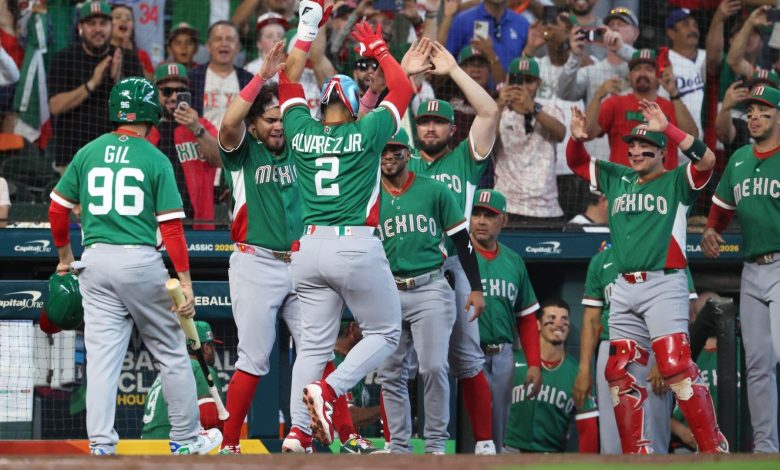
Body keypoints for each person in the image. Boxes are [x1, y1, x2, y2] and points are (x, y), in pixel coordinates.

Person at [217, 43, 377, 455]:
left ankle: (346, 435)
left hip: (302, 263)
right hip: (255, 262)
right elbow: (229, 121)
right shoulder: (242, 152)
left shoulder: (304, 146)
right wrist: (261, 78)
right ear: (255, 125)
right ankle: (230, 444)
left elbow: (326, 113)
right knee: (253, 359)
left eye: (280, 119)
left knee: (319, 351)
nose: (277, 126)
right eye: (269, 120)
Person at [47, 77, 221, 455]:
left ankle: (101, 446)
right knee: (172, 351)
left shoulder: (88, 152)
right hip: (139, 261)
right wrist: (185, 282)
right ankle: (187, 440)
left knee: (103, 360)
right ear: (150, 112)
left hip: (94, 262)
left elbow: (57, 209)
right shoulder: (155, 157)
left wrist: (65, 259)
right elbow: (173, 229)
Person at [279, 0, 416, 448]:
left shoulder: (301, 127)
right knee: (385, 332)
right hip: (354, 245)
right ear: (356, 107)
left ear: (320, 106)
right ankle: (331, 390)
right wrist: (379, 47)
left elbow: (288, 74)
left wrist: (308, 24)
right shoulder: (370, 128)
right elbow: (403, 90)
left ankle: (298, 432)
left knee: (313, 348)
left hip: (309, 249)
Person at [567, 99, 727, 454]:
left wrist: (668, 127)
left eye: (646, 146)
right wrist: (577, 138)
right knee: (619, 372)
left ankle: (712, 447)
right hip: (623, 287)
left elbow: (707, 160)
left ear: (662, 152)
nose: (636, 151)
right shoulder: (616, 177)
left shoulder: (676, 182)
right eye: (633, 146)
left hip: (664, 282)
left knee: (675, 365)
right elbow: (576, 162)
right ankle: (637, 456)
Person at [408, 46, 500, 454]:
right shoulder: (402, 159)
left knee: (467, 358)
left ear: (451, 129)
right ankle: (403, 445)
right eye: (424, 121)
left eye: (438, 122)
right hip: (404, 266)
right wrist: (406, 76)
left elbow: (490, 112)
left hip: (452, 264)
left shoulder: (465, 158)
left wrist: (453, 70)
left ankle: (483, 444)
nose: (430, 128)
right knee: (397, 363)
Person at [376, 128, 485, 454]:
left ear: (408, 154)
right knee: (390, 372)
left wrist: (476, 288)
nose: (389, 157)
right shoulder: (367, 193)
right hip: (387, 291)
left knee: (435, 367)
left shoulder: (434, 190)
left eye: (396, 151)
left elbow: (462, 241)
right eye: (383, 151)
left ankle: (436, 445)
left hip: (430, 287)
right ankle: (399, 446)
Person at [702, 85, 780, 453]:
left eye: (764, 111)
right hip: (752, 270)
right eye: (751, 111)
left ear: (778, 116)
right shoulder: (739, 160)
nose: (755, 117)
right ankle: (767, 449)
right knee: (758, 365)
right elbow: (720, 208)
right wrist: (711, 230)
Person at [575, 244, 700, 454]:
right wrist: (584, 370)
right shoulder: (601, 261)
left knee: (655, 434)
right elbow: (591, 320)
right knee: (612, 435)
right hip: (612, 347)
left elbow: (688, 311)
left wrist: (665, 359)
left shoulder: (668, 252)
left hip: (654, 346)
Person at [469, 188, 541, 452]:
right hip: (466, 353)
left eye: (489, 215)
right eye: (476, 214)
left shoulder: (514, 262)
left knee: (498, 429)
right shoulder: (455, 257)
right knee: (464, 425)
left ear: (504, 220)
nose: (481, 221)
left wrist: (534, 363)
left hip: (502, 355)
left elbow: (526, 316)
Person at [47, 0, 143, 174]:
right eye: (91, 23)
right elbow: (55, 106)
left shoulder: (128, 59)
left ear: (111, 27)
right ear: (81, 27)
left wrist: (118, 81)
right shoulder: (63, 58)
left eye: (103, 23)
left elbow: (142, 113)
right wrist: (92, 83)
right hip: (74, 159)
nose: (98, 29)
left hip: (120, 159)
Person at [504, 299, 599, 453]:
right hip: (508, 451)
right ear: (538, 325)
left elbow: (588, 428)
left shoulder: (578, 373)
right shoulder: (514, 361)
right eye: (552, 318)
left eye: (564, 319)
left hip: (550, 455)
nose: (559, 323)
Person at [584, 48, 698, 169]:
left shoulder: (672, 106)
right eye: (637, 69)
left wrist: (673, 92)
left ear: (659, 75)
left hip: (663, 184)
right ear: (629, 75)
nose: (642, 73)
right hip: (623, 184)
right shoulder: (615, 103)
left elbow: (692, 137)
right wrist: (598, 96)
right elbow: (587, 133)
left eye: (649, 69)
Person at [146, 63, 221, 230]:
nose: (174, 97)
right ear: (155, 94)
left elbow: (220, 160)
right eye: (167, 91)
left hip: (197, 225)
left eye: (180, 91)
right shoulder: (145, 131)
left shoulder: (202, 125)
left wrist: (196, 128)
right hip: (153, 227)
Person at [494, 56, 566, 223]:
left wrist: (533, 108)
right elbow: (485, 146)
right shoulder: (498, 111)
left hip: (546, 209)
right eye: (517, 80)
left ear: (539, 84)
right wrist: (498, 106)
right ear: (507, 81)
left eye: (529, 81)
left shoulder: (550, 109)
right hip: (508, 206)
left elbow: (561, 133)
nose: (523, 87)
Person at [142, 321, 225, 439]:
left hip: (144, 446)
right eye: (212, 346)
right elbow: (210, 419)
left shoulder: (168, 371)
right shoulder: (202, 369)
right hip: (174, 444)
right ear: (206, 348)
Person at [189, 21, 253, 129]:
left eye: (230, 39)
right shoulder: (192, 78)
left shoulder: (249, 80)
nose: (224, 44)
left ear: (238, 47)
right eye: (218, 39)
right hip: (201, 142)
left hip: (239, 144)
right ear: (208, 46)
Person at [663, 8, 715, 140]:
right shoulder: (663, 60)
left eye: (695, 25)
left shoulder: (708, 58)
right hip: (676, 143)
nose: (693, 30)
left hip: (709, 142)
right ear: (671, 33)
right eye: (686, 25)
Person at [445, 0, 529, 72]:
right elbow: (446, 64)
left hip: (511, 89)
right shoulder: (462, 21)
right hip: (469, 90)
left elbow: (526, 68)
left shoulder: (522, 24)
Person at [109, 4, 153, 80]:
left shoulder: (142, 55)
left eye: (129, 18)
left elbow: (150, 84)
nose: (124, 20)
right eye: (118, 17)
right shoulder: (102, 52)